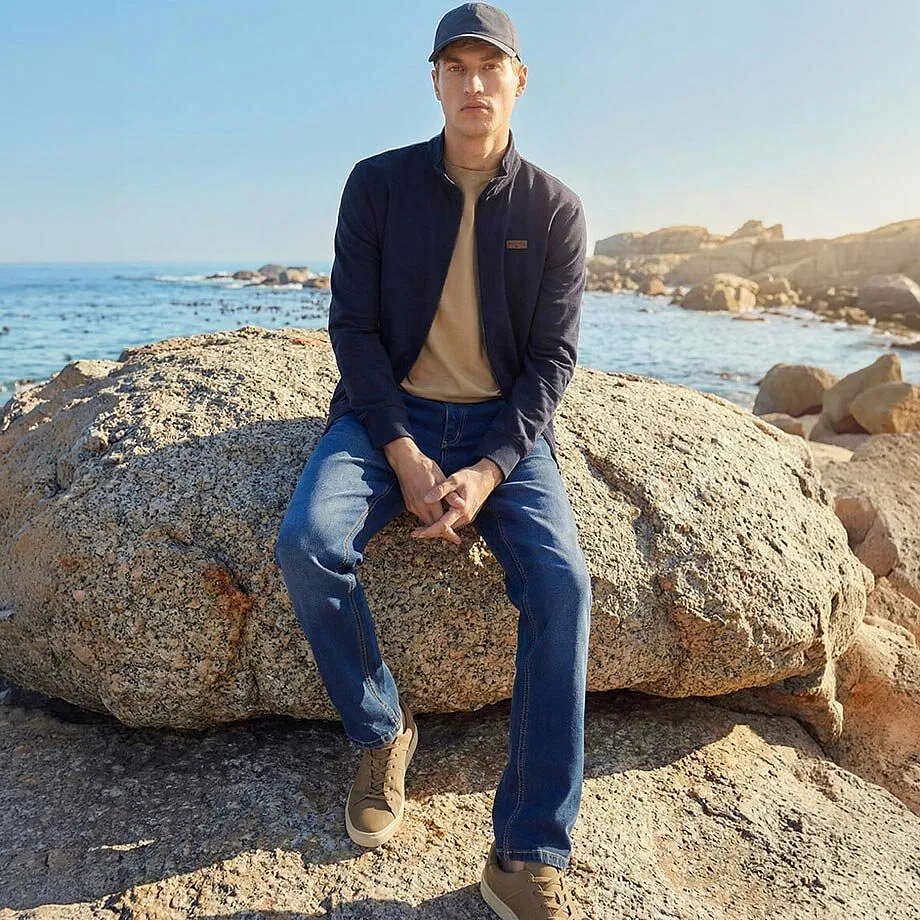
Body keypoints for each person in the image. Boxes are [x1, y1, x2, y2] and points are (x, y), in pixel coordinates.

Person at [274, 4, 591, 917]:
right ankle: (382, 730)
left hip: (503, 433)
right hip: (389, 419)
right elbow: (355, 330)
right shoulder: (377, 186)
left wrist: (488, 469)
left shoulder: (555, 209)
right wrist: (404, 454)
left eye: (490, 68)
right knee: (307, 540)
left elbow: (552, 365)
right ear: (436, 81)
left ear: (518, 81)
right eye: (456, 67)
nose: (474, 84)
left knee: (563, 583)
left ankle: (527, 849)